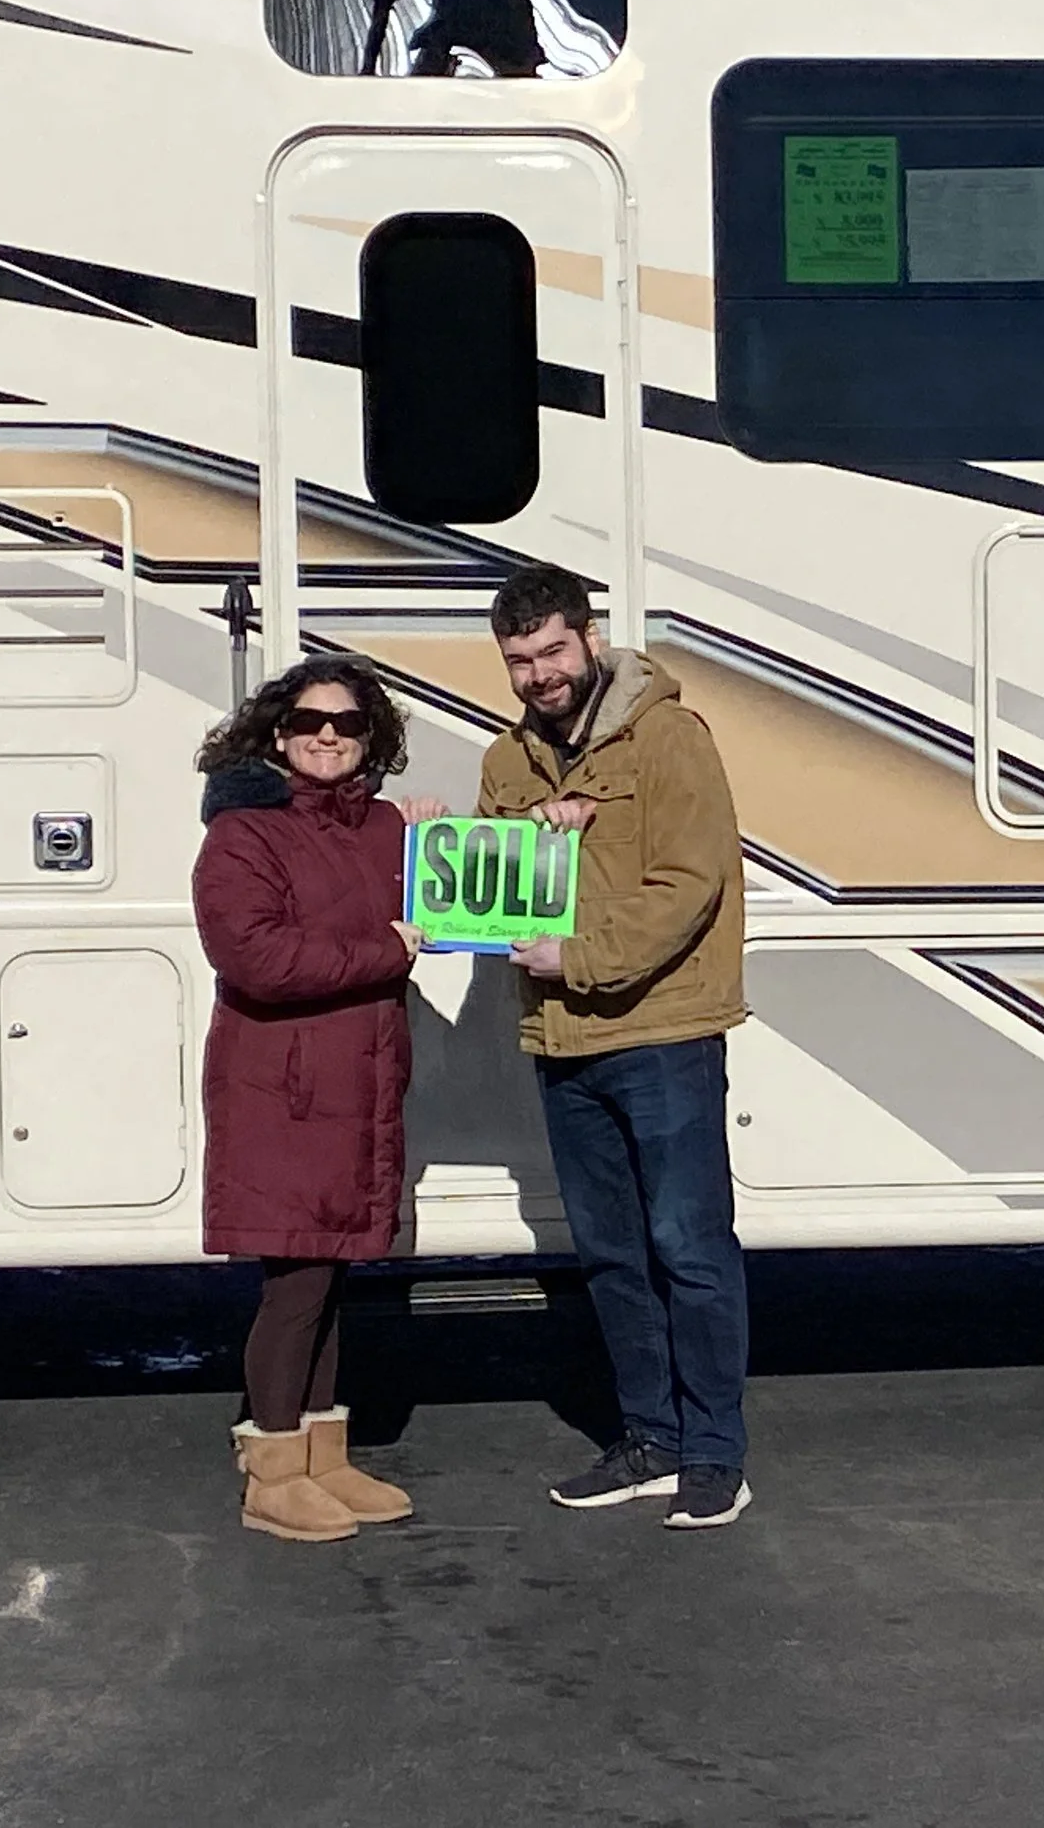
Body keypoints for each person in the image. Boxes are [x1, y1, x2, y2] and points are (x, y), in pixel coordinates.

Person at [477, 569, 753, 1530]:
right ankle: (651, 1439)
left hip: (663, 1030)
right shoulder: (505, 760)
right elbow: (498, 888)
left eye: (552, 651)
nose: (538, 674)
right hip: (562, 1037)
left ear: (589, 638)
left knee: (690, 1246)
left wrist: (581, 954)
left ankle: (716, 1452)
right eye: (519, 660)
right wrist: (447, 849)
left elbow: (692, 881)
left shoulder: (669, 737)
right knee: (610, 1253)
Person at [192, 655, 450, 1542]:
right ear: (277, 732)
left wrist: (433, 846)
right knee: (296, 1277)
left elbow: (446, 918)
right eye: (309, 721)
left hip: (360, 1085)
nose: (328, 735)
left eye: (346, 722)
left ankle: (323, 1455)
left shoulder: (381, 827)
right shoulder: (243, 834)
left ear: (372, 737)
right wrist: (386, 950)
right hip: (284, 1091)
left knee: (333, 1273)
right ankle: (271, 1467)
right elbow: (256, 959)